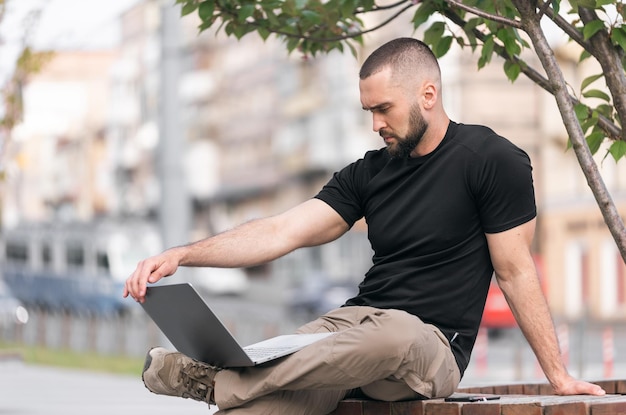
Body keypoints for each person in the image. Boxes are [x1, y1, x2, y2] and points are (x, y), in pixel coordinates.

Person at [124, 37, 605, 414]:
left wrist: (558, 376)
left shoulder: (491, 160)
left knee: (389, 336)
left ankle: (215, 379)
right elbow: (281, 231)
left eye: (383, 110)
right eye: (368, 112)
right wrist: (183, 254)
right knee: (260, 405)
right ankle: (230, 381)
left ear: (428, 95)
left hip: (428, 345)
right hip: (350, 333)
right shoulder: (369, 172)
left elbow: (516, 271)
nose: (375, 125)